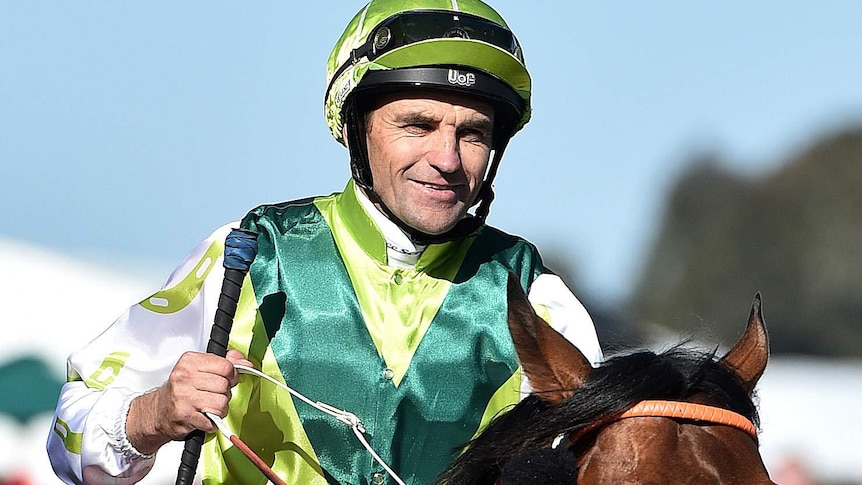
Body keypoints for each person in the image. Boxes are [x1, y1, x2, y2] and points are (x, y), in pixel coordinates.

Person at [47, 1, 603, 484]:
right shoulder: (251, 256)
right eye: (417, 125)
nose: (447, 159)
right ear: (356, 127)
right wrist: (154, 414)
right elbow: (68, 433)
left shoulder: (536, 297)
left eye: (473, 133)